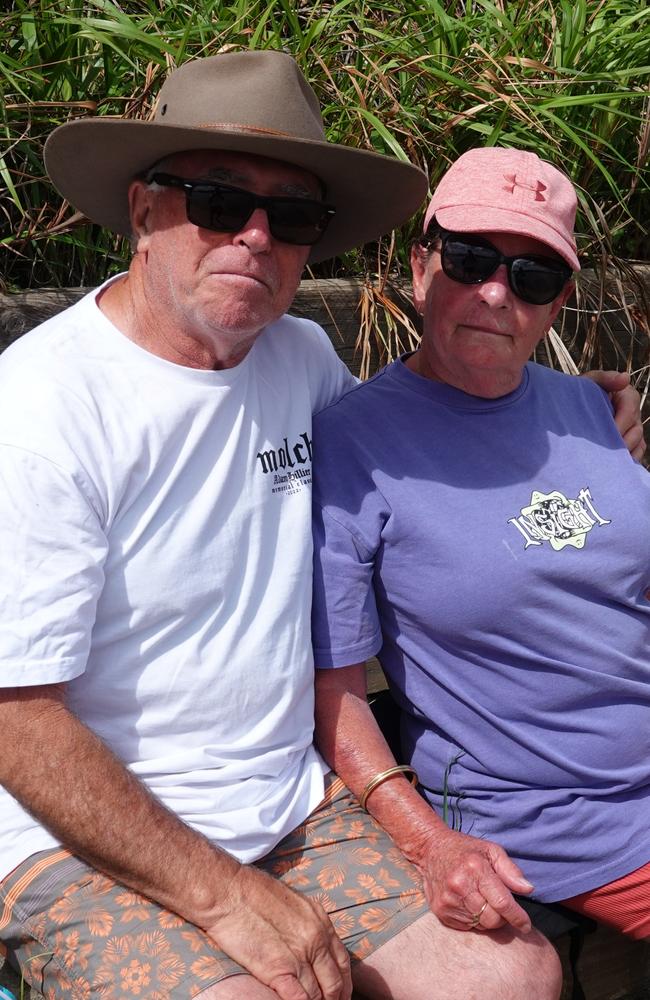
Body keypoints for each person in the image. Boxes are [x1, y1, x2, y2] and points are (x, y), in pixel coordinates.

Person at [0, 57, 640, 1000]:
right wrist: (220, 896)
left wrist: (571, 417)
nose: (256, 239)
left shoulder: (299, 360)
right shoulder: (43, 412)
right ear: (143, 210)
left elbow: (432, 439)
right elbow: (19, 720)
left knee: (508, 974)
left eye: (291, 217)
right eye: (219, 202)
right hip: (79, 837)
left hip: (290, 805)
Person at [311, 145, 650, 956]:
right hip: (563, 818)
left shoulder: (588, 407)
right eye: (471, 259)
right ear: (422, 266)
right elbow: (333, 689)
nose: (497, 293)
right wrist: (429, 843)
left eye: (532, 278)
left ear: (559, 302)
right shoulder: (354, 444)